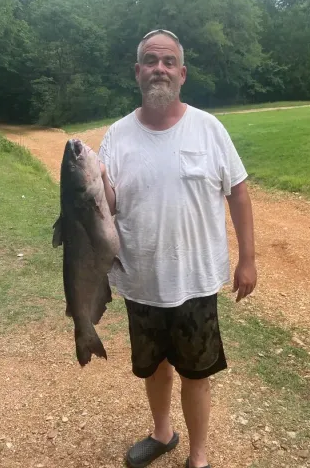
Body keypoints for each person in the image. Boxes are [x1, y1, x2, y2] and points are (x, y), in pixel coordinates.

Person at [98, 29, 257, 468]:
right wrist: (92, 184)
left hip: (195, 280)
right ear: (137, 72)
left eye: (169, 62)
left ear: (182, 74)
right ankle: (163, 433)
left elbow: (239, 193)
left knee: (196, 372)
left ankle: (199, 457)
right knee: (154, 368)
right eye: (151, 61)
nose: (160, 69)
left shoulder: (208, 128)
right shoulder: (117, 136)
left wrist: (248, 259)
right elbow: (106, 206)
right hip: (140, 279)